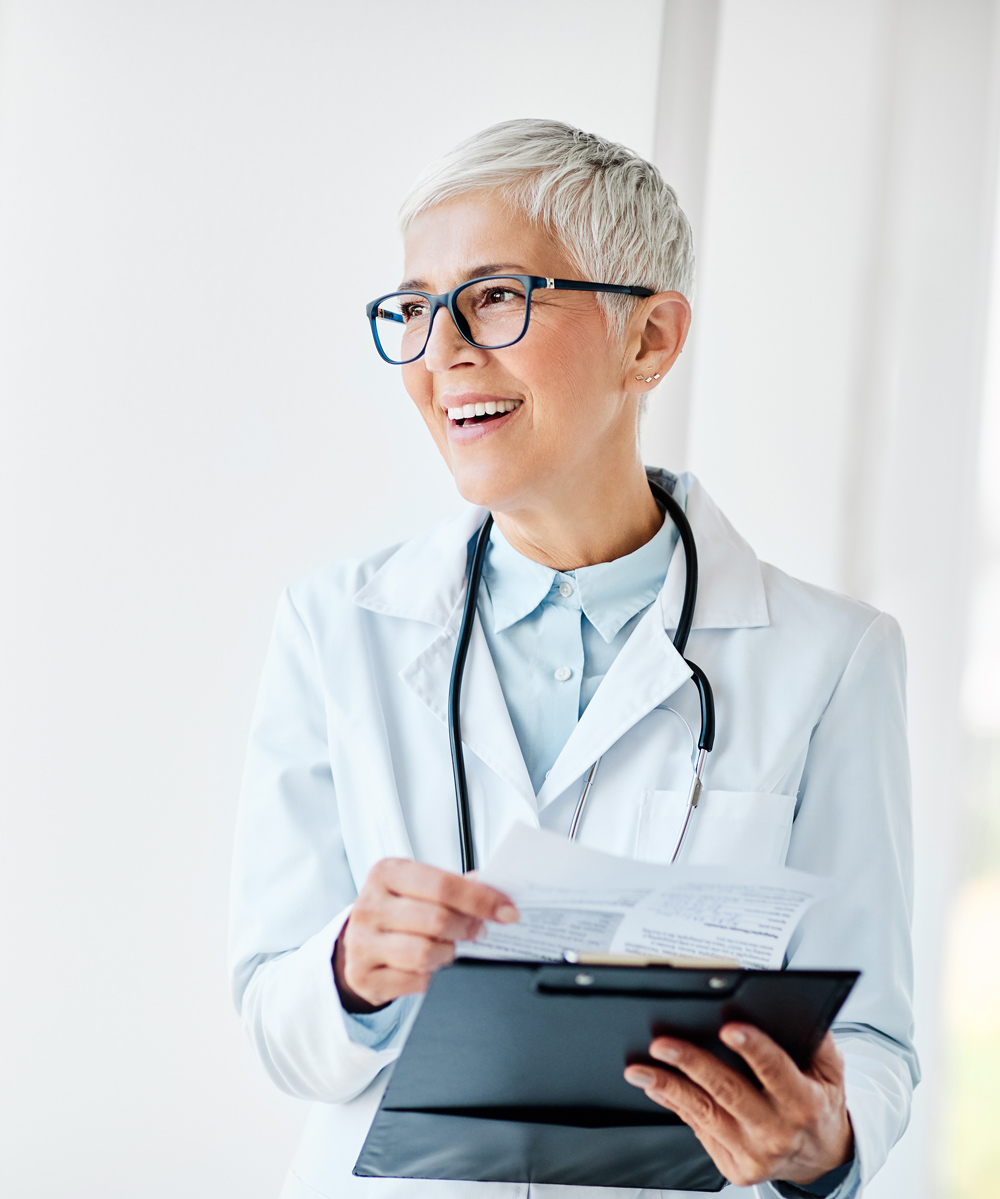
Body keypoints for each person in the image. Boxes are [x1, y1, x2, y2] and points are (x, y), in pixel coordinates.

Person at [228, 119, 916, 1199]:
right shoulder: (338, 627)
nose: (443, 350)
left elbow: (869, 1035)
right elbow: (276, 1020)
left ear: (649, 339)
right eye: (414, 308)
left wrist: (823, 1135)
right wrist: (351, 971)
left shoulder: (832, 659)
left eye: (496, 296)